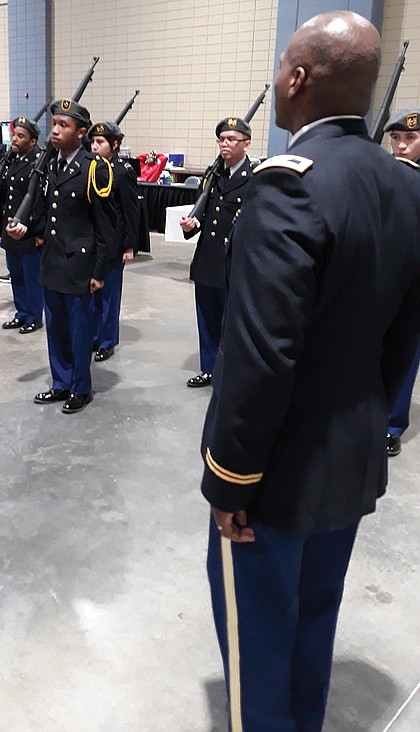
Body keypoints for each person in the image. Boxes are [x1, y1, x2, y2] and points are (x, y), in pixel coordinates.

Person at [199, 11, 420, 732]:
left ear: (296, 79)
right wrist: (365, 418)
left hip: (275, 477)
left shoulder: (288, 183)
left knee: (259, 637)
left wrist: (231, 478)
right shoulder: (402, 183)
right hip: (348, 458)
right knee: (314, 615)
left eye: (280, 66)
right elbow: (403, 336)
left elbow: (262, 352)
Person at [10, 99, 114, 413]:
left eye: (63, 125)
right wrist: (25, 229)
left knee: (80, 332)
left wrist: (98, 272)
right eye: (54, 124)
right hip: (52, 261)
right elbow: (45, 214)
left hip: (80, 266)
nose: (55, 130)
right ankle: (60, 383)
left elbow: (105, 227)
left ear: (81, 133)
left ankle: (80, 388)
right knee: (55, 330)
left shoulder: (96, 168)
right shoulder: (49, 165)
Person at [179, 117, 254, 387]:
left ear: (246, 144)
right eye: (222, 139)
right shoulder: (214, 175)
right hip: (207, 259)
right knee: (207, 320)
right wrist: (192, 224)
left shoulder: (253, 179)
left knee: (231, 324)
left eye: (231, 139)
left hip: (233, 263)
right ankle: (209, 368)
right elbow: (205, 214)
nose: (225, 144)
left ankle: (229, 373)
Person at [0, 116, 44, 333]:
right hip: (10, 229)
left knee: (31, 279)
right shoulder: (13, 160)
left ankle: (34, 317)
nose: (14, 139)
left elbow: (41, 202)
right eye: (14, 135)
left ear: (32, 141)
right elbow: (8, 194)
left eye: (20, 136)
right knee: (16, 276)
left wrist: (38, 231)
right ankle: (21, 313)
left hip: (28, 231)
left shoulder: (39, 163)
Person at [383, 108, 420, 456]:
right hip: (379, 280)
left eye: (411, 138)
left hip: (413, 286)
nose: (402, 145)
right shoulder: (382, 174)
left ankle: (392, 425)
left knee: (405, 355)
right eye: (396, 138)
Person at [89, 121, 139, 361]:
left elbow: (131, 211)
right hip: (92, 243)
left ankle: (107, 340)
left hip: (113, 243)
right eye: (93, 142)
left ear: (115, 144)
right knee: (93, 293)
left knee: (109, 295)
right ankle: (94, 335)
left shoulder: (123, 171)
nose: (94, 146)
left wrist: (129, 245)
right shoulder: (90, 168)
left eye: (100, 142)